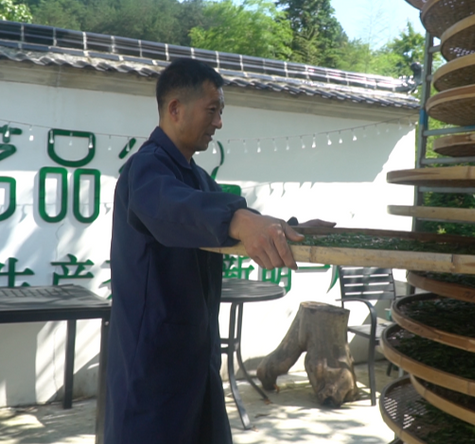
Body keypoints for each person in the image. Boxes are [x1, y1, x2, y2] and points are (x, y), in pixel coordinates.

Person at [106, 58, 334, 443]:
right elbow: (179, 209)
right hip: (153, 363)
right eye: (213, 110)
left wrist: (289, 229)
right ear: (175, 108)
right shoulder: (144, 170)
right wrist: (239, 219)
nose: (219, 123)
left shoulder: (196, 177)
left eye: (221, 113)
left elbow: (231, 219)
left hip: (196, 355)